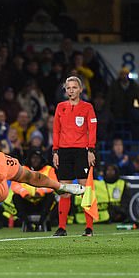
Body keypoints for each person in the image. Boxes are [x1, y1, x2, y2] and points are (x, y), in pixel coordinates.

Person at [52, 76, 97, 237]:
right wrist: (55, 152)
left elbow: (92, 129)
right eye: (68, 88)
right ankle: (62, 227)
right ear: (65, 90)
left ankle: (89, 228)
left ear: (80, 89)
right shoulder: (60, 107)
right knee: (64, 190)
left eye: (74, 87)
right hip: (64, 152)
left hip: (81, 152)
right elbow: (56, 130)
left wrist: (91, 150)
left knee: (85, 190)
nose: (71, 90)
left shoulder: (87, 107)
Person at [9, 150, 57, 232]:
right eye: (33, 158)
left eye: (37, 158)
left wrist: (40, 191)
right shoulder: (23, 169)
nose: (35, 160)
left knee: (51, 196)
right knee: (16, 197)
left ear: (41, 159)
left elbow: (54, 185)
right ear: (29, 159)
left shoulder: (49, 169)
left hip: (42, 203)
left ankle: (41, 223)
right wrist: (24, 193)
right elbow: (14, 185)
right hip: (27, 201)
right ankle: (27, 224)